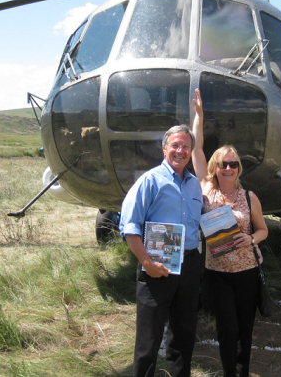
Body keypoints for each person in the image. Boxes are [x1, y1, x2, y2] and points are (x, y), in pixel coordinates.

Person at [191, 89, 268, 377]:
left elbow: (263, 230)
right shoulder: (206, 190)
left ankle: (243, 372)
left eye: (233, 163)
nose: (228, 167)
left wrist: (251, 238)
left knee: (245, 328)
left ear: (238, 169)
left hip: (247, 270)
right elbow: (197, 149)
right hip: (217, 273)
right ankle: (229, 373)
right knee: (227, 328)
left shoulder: (249, 197)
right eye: (223, 163)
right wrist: (198, 117)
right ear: (215, 167)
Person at [119, 124, 204, 377]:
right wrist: (147, 263)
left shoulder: (194, 185)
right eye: (175, 145)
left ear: (190, 150)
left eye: (186, 146)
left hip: (189, 266)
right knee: (149, 340)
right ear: (164, 148)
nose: (180, 150)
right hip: (156, 267)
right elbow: (130, 227)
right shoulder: (149, 181)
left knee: (184, 335)